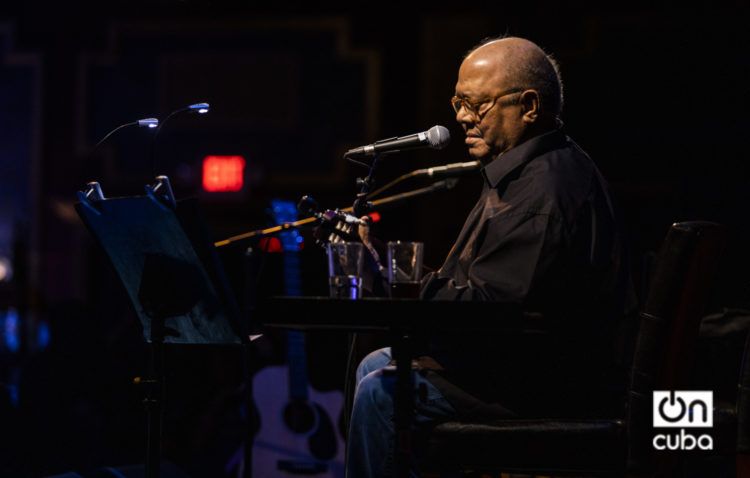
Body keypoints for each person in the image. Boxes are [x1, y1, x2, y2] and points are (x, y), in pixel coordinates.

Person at [345, 36, 636, 478]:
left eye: (475, 104)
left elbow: (491, 313)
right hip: (520, 365)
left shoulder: (543, 192)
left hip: (544, 385)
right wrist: (395, 273)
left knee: (382, 393)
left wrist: (394, 277)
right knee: (376, 363)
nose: (461, 117)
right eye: (457, 102)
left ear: (530, 106)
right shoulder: (525, 172)